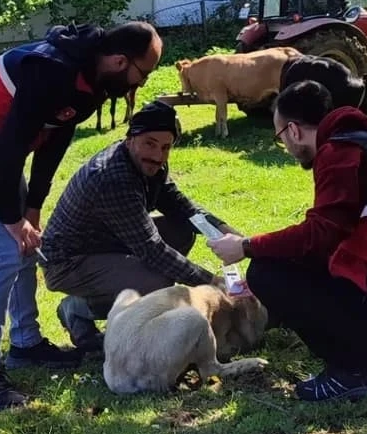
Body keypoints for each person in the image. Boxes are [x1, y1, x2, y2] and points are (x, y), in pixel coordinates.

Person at [0, 20, 162, 411]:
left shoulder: (94, 83)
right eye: (144, 73)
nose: (141, 84)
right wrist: (12, 217)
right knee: (4, 252)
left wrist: (33, 208)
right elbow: (11, 145)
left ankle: (25, 344)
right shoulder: (52, 69)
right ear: (120, 61)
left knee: (25, 245)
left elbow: (53, 142)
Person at [209, 80, 367, 402]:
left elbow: (319, 236)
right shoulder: (361, 144)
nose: (286, 147)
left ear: (293, 131)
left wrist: (246, 246)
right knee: (282, 262)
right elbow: (329, 238)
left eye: (280, 138)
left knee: (266, 272)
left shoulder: (339, 153)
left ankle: (355, 371)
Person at [41, 100, 231, 351]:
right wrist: (212, 282)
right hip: (67, 261)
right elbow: (152, 250)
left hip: (107, 242)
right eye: (149, 144)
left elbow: (178, 205)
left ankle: (127, 297)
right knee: (157, 281)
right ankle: (77, 309)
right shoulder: (113, 178)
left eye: (166, 147)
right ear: (130, 139)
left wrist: (222, 231)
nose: (158, 156)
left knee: (181, 229)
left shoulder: (149, 162)